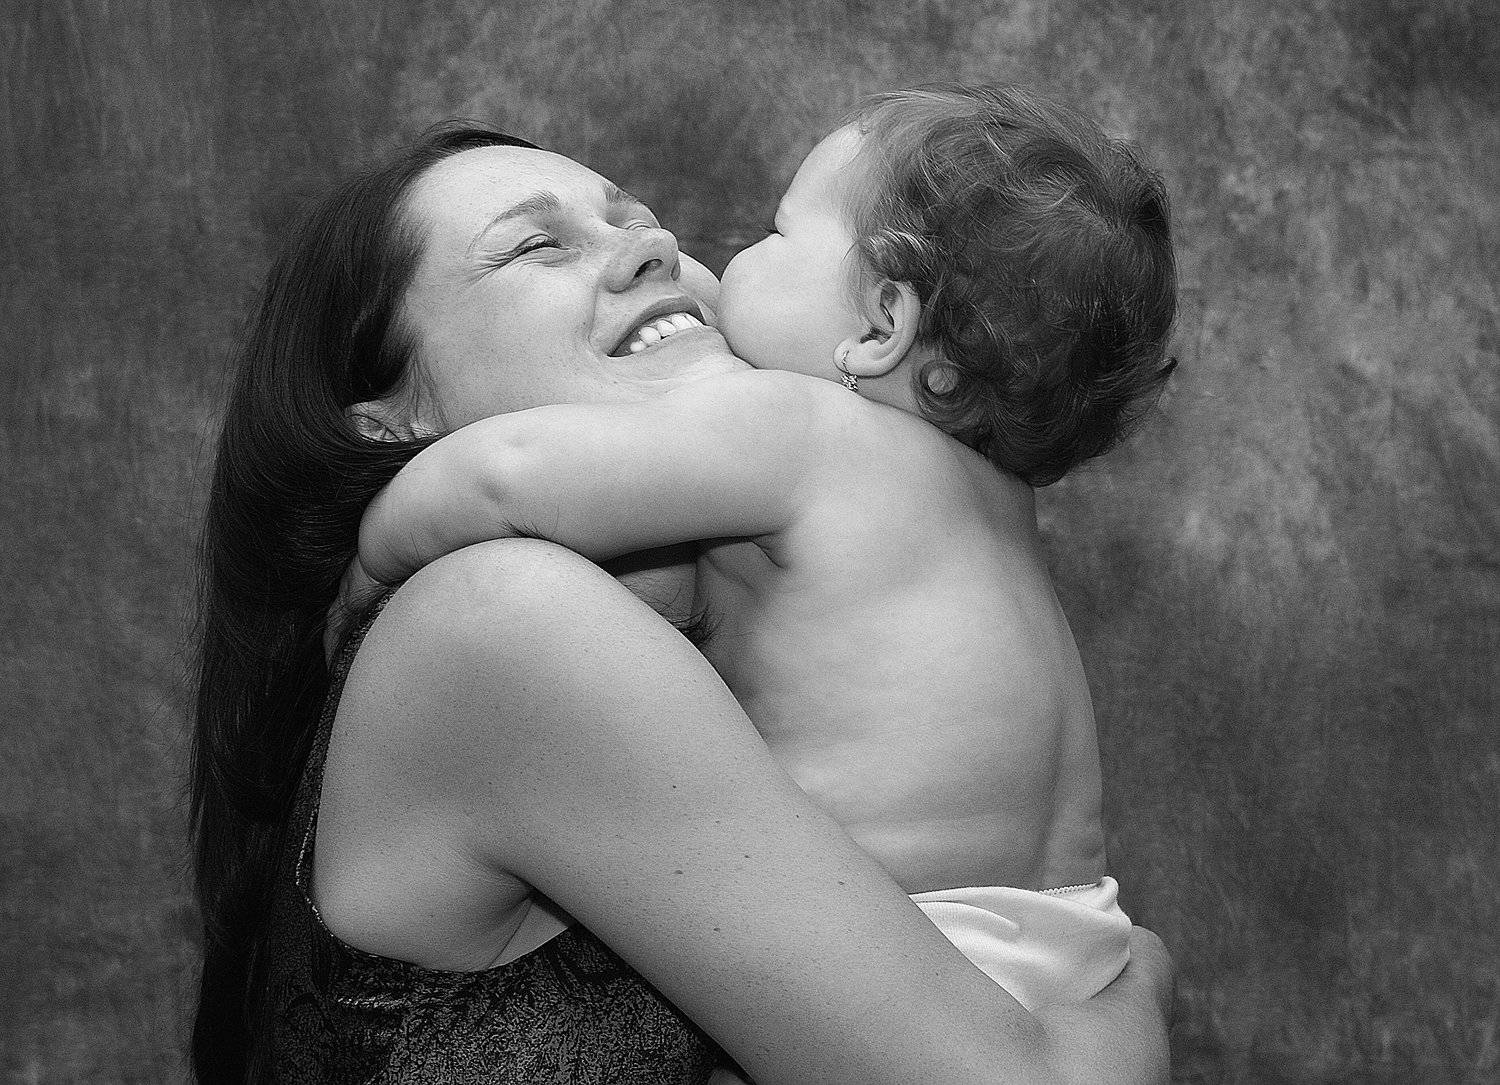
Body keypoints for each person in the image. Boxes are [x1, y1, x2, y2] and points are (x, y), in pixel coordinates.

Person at [190, 120, 1174, 1084]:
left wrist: (374, 562)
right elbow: (501, 473)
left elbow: (509, 475)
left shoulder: (773, 540)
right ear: (396, 421)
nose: (653, 245)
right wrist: (1131, 988)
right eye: (537, 246)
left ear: (883, 326)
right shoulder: (499, 618)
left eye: (637, 220)